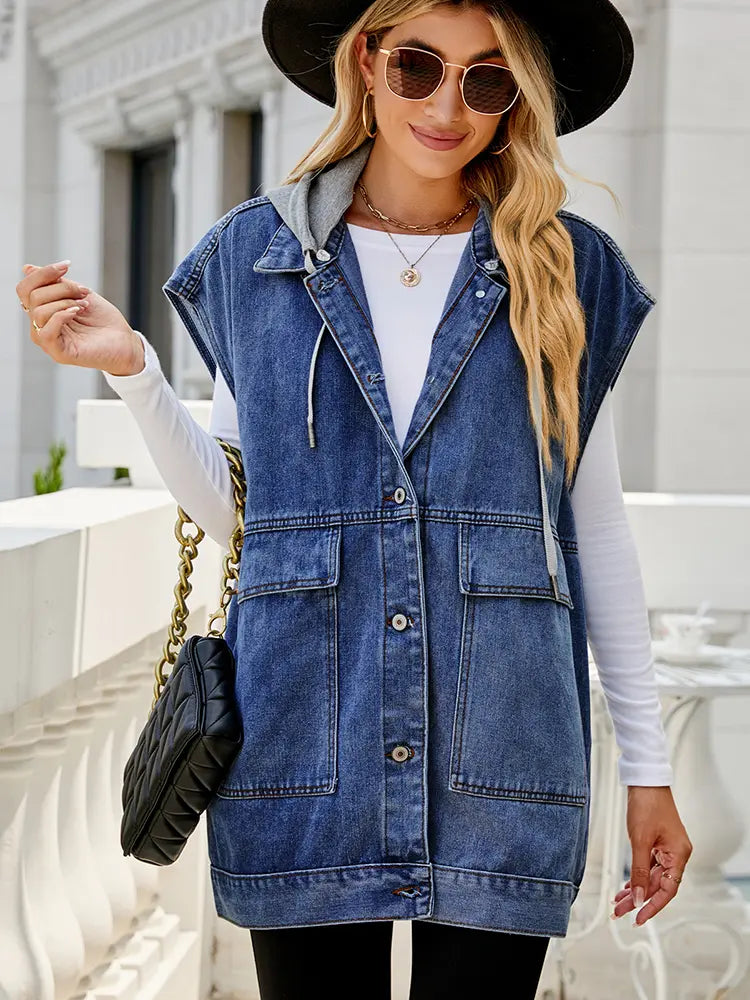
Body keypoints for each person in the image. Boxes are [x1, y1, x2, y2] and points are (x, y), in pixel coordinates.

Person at [16, 0, 692, 996]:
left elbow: (592, 532)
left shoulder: (565, 267)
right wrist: (134, 372)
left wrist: (649, 768)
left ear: (516, 100)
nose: (447, 107)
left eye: (486, 79)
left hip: (502, 752)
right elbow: (245, 516)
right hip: (303, 740)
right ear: (368, 63)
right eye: (420, 66)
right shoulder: (257, 256)